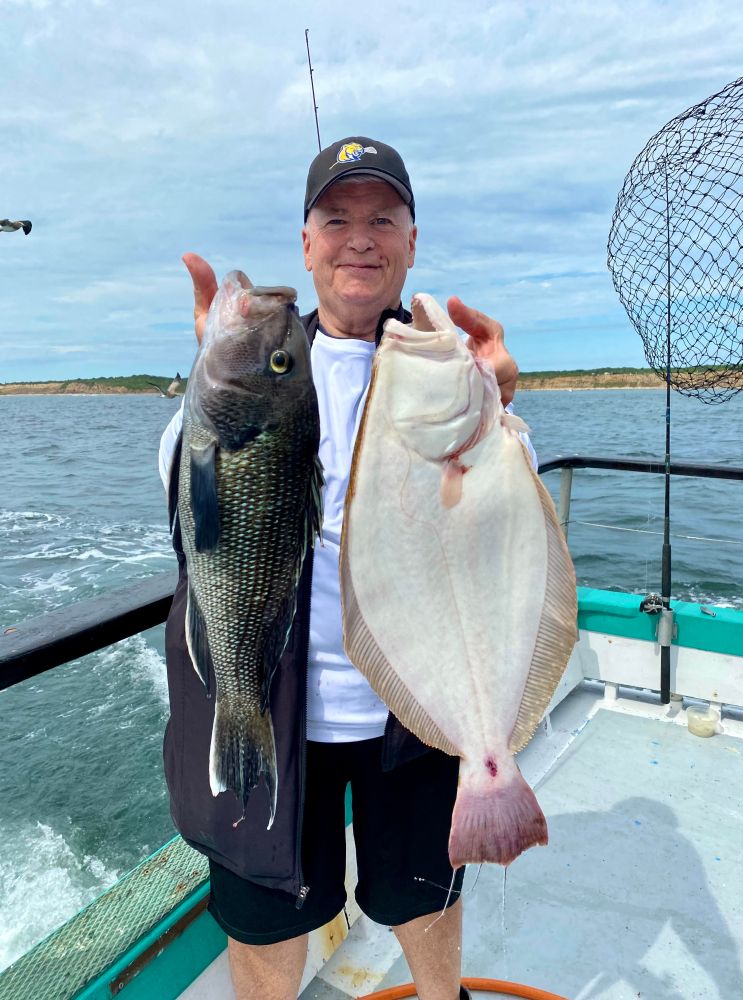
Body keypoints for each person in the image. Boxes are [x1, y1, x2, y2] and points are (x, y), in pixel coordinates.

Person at [159, 136, 535, 1000]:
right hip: (273, 700)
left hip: (416, 699)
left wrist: (497, 403)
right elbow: (187, 497)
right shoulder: (266, 360)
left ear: (411, 239)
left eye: (382, 219)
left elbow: (506, 514)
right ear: (306, 242)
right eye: (337, 218)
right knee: (266, 918)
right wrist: (211, 381)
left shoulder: (443, 356)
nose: (359, 238)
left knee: (424, 897)